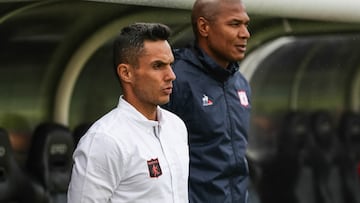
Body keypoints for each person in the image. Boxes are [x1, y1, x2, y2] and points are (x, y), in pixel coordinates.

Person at [67, 22, 189, 203]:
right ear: (126, 73)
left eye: (170, 64)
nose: (171, 75)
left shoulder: (176, 126)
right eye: (158, 66)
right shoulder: (104, 140)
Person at [162, 0, 251, 202]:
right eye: (235, 24)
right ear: (204, 27)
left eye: (246, 24)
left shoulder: (240, 83)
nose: (245, 33)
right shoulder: (175, 80)